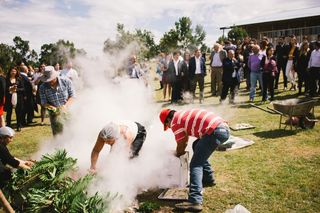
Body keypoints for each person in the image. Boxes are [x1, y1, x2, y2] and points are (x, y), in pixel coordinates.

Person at [159, 108, 230, 212]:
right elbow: (185, 140)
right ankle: (208, 179)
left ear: (168, 120)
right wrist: (180, 151)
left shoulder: (175, 122)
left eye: (167, 125)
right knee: (196, 145)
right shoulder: (181, 114)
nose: (169, 127)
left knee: (195, 165)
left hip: (215, 131)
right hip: (222, 128)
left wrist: (177, 155)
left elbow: (182, 143)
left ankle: (195, 201)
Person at [39, 66, 75, 136]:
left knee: (71, 134)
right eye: (47, 80)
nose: (49, 82)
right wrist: (53, 108)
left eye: (50, 79)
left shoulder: (66, 81)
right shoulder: (42, 87)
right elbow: (43, 102)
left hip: (69, 112)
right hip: (54, 115)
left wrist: (65, 106)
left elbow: (72, 96)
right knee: (58, 135)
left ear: (55, 76)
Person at [4, 67, 25, 131]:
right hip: (9, 98)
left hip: (18, 97)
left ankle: (18, 125)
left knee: (18, 112)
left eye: (14, 71)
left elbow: (23, 88)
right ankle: (8, 126)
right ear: (10, 72)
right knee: (9, 112)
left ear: (16, 72)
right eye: (12, 71)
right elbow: (4, 88)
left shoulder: (19, 79)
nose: (13, 72)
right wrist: (9, 89)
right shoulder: (6, 79)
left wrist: (16, 89)